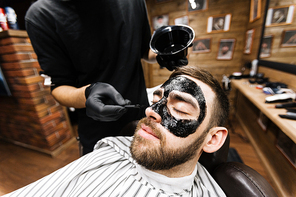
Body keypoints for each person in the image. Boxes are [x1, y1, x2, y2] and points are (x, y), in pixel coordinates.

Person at [3, 66, 229, 197]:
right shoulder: (113, 149)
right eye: (157, 99)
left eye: (179, 108)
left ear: (212, 139)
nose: (152, 111)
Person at [25, 0, 157, 155]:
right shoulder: (42, 15)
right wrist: (87, 94)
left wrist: (164, 52)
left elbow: (145, 50)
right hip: (97, 137)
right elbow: (59, 86)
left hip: (142, 122)